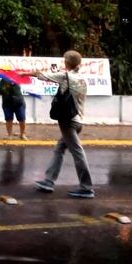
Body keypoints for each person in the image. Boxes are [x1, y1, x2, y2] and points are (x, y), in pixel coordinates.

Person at [20, 50, 93, 199]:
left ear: (66, 63)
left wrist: (23, 74)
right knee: (59, 148)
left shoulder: (65, 77)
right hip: (79, 121)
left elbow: (41, 75)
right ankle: (49, 181)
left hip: (68, 122)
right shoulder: (82, 79)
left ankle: (86, 187)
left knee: (77, 152)